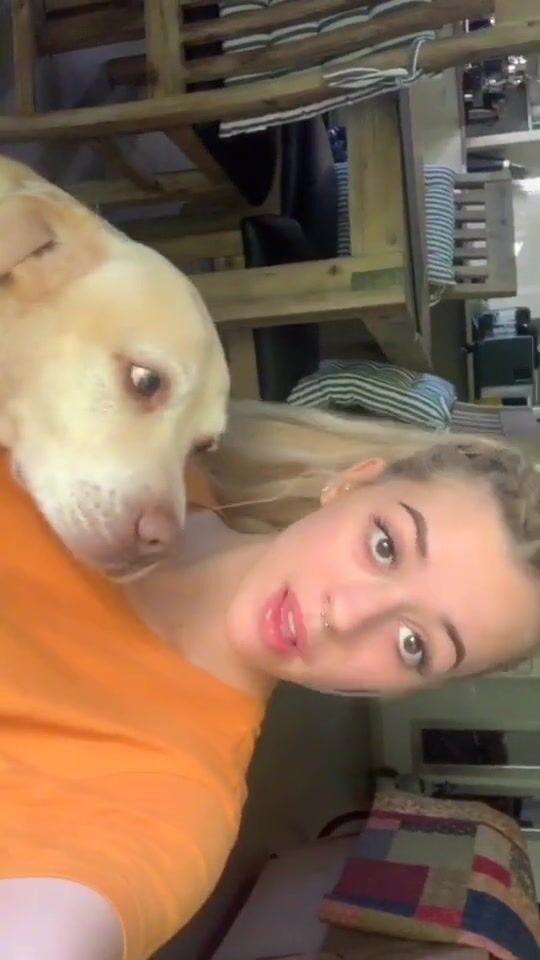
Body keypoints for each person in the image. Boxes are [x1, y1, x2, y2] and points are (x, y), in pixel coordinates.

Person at [1, 399, 540, 960]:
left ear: (408, 689)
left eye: (413, 644)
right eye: (385, 546)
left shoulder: (175, 802)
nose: (348, 616)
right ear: (352, 485)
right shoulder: (131, 436)